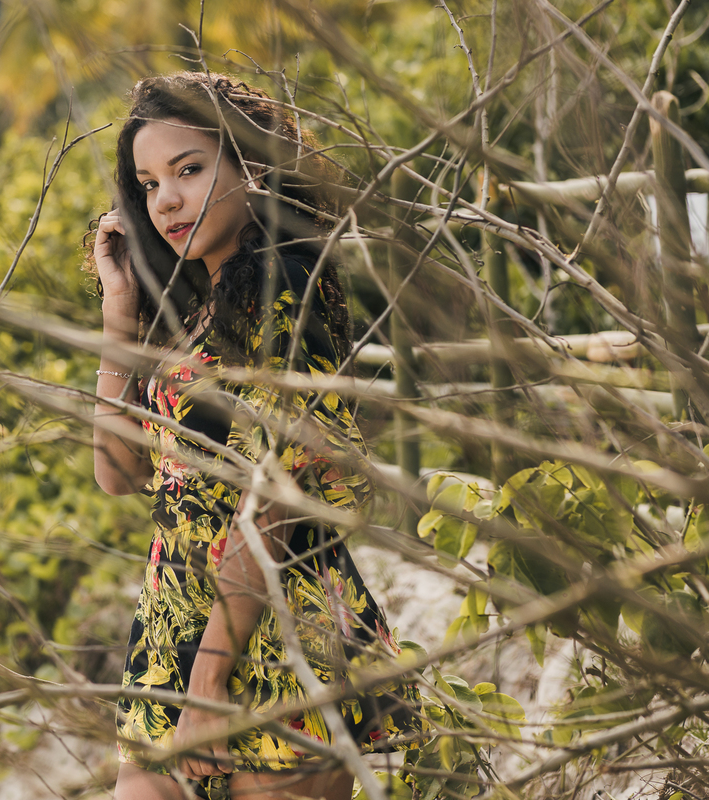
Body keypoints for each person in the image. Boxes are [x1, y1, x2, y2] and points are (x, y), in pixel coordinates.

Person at [89, 72, 425, 800]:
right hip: (173, 639)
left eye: (190, 170)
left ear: (253, 165)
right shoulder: (197, 309)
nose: (167, 200)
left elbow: (277, 487)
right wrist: (120, 313)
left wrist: (212, 681)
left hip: (272, 638)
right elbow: (120, 474)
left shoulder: (285, 283)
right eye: (148, 184)